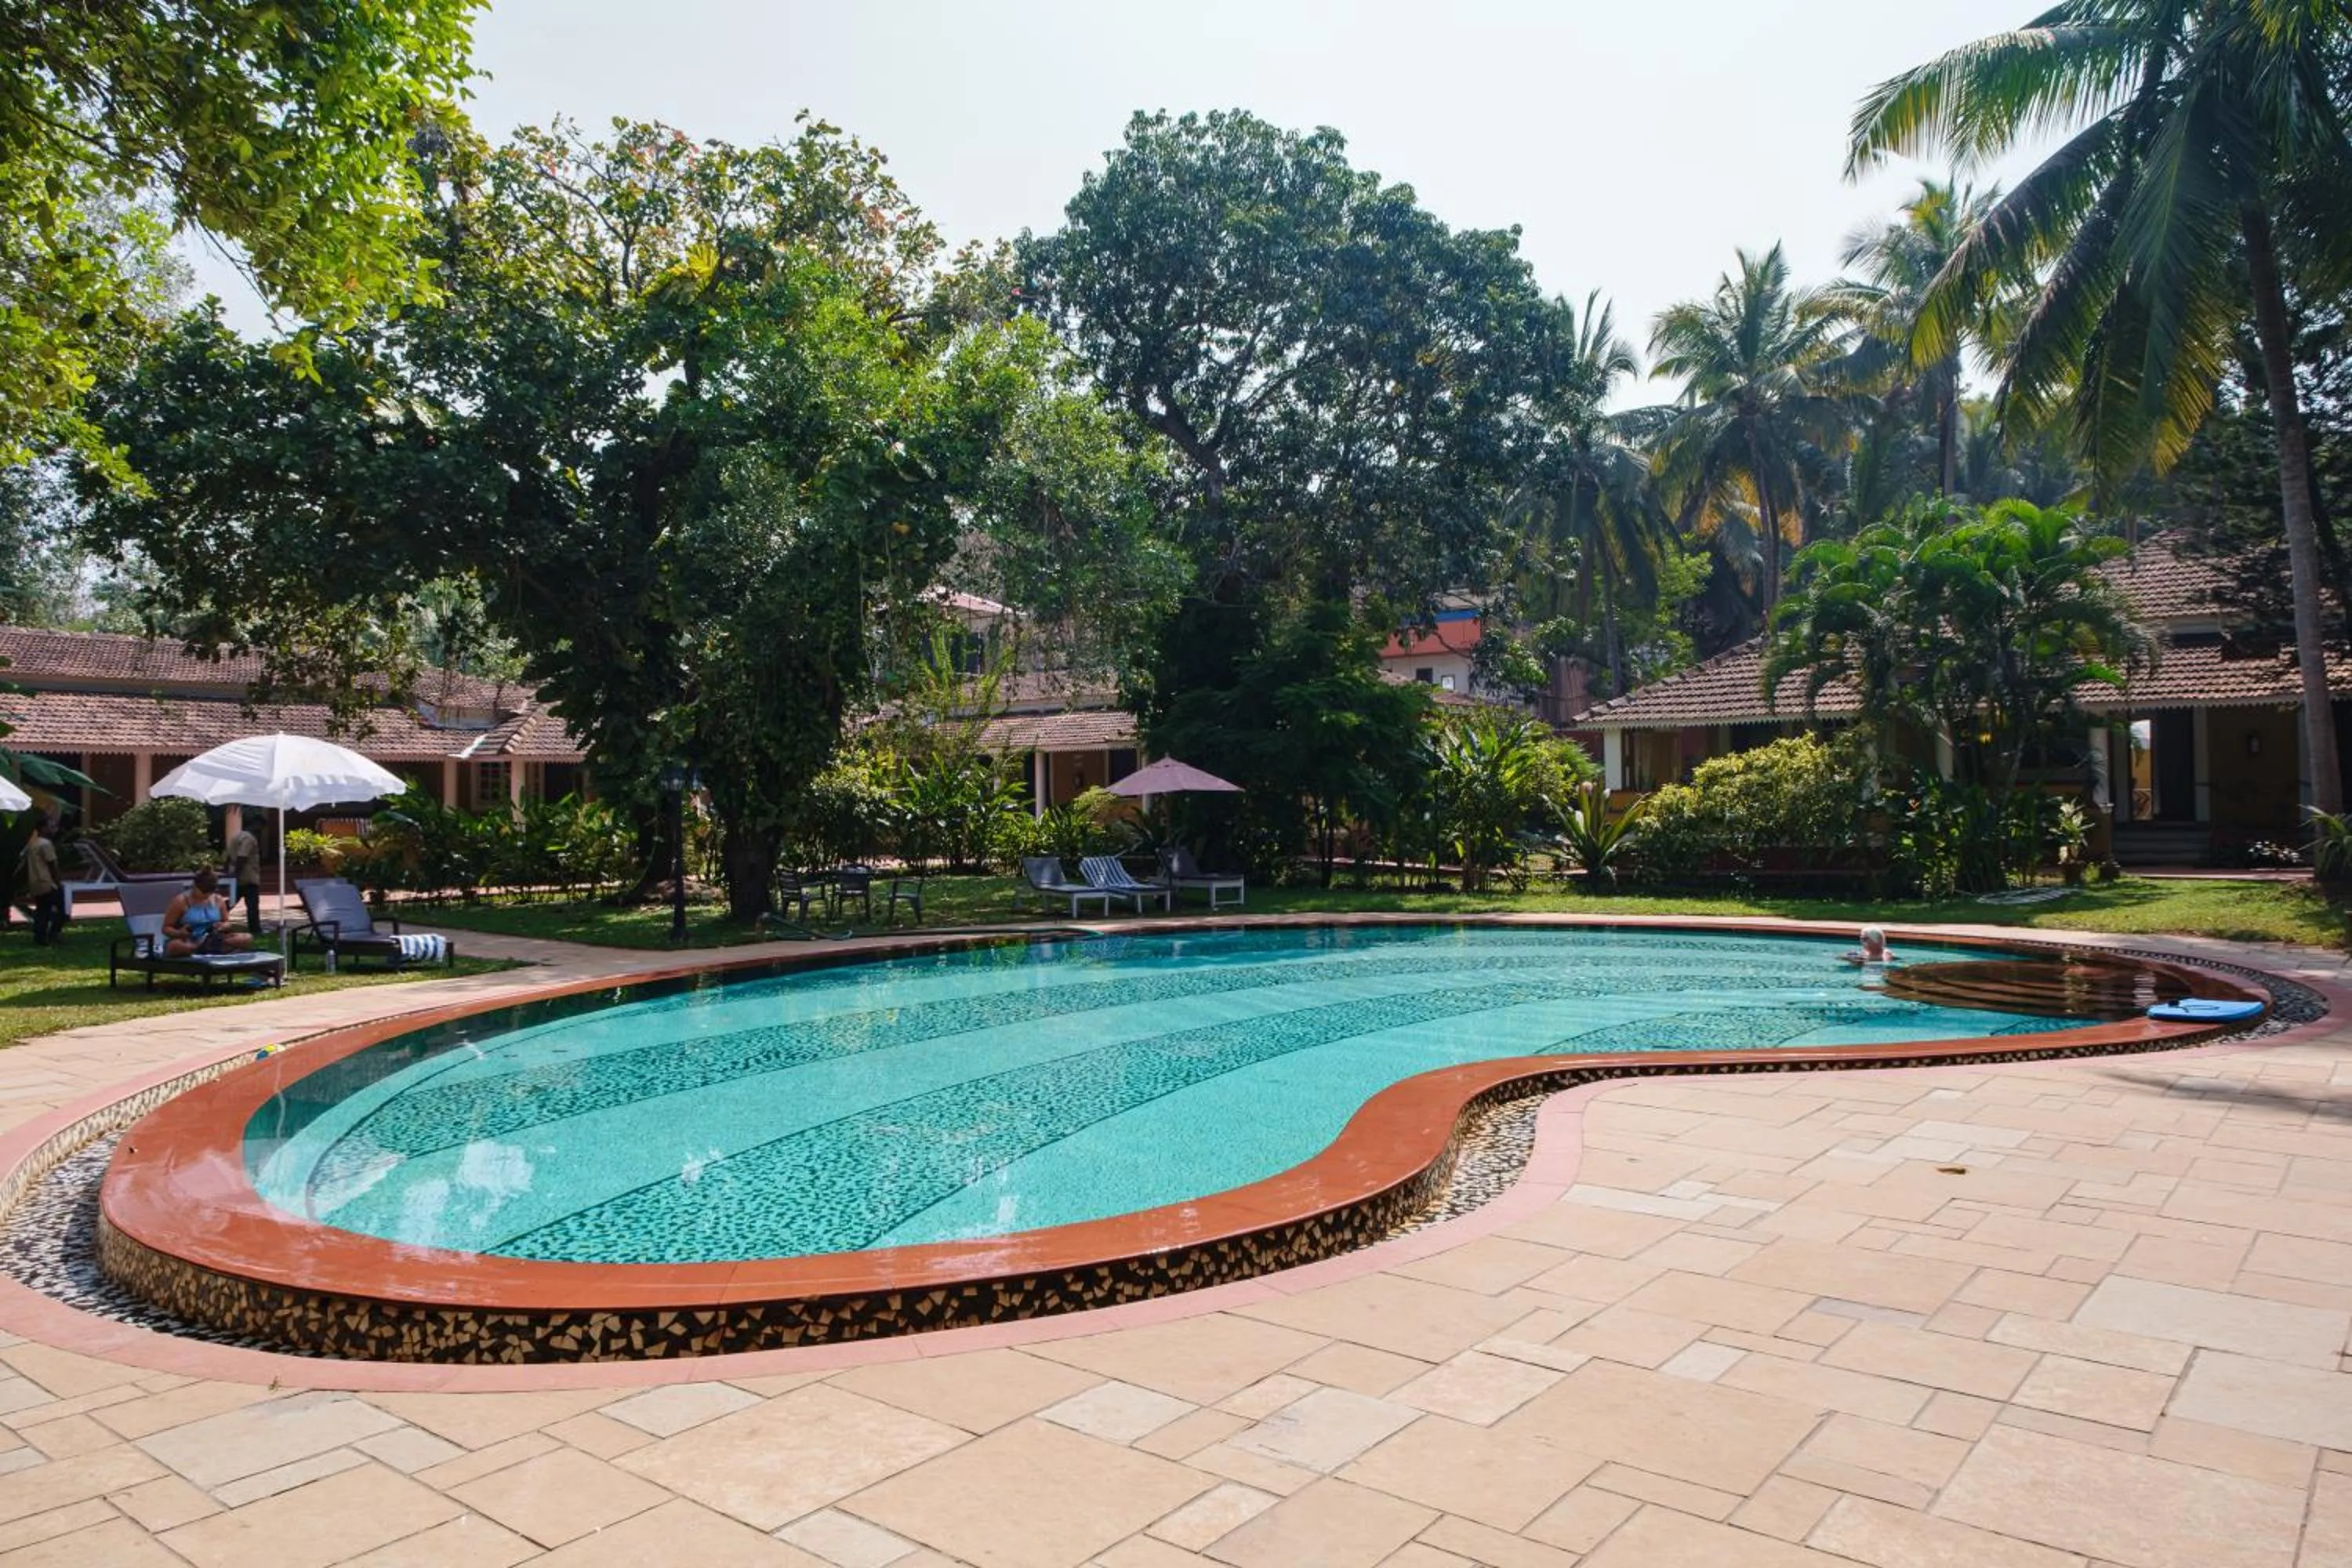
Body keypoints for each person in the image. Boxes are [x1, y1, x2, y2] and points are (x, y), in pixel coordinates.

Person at [162, 870, 252, 957]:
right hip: (187, 940)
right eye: (202, 892)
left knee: (246, 938)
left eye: (208, 894)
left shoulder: (218, 900)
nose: (204, 896)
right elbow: (166, 928)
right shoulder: (181, 901)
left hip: (211, 939)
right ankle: (198, 949)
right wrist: (179, 933)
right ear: (195, 886)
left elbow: (227, 922)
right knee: (175, 946)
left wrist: (222, 926)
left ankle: (209, 948)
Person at [22, 818, 63, 946]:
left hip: (36, 882)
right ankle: (52, 935)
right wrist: (58, 882)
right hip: (47, 882)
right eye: (51, 826)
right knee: (61, 911)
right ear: (43, 828)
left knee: (42, 910)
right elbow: (52, 865)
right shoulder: (46, 844)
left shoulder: (33, 843)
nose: (54, 829)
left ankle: (40, 936)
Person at [225, 820, 263, 934]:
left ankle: (215, 918)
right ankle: (255, 929)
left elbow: (228, 856)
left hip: (236, 875)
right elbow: (242, 856)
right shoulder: (249, 839)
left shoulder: (236, 836)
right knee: (252, 905)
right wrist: (237, 874)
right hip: (248, 877)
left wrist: (229, 872)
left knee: (232, 901)